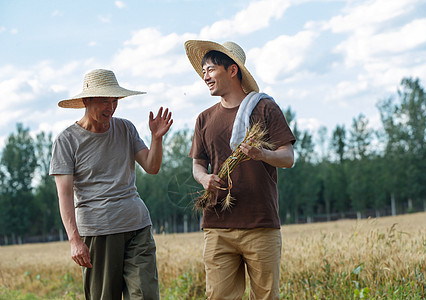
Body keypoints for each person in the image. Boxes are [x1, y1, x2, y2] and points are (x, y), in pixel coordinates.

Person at [184, 40, 296, 299]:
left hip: (260, 223)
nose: (205, 77)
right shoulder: (204, 118)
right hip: (217, 225)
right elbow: (197, 165)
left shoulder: (265, 108)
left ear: (232, 70)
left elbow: (288, 157)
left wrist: (262, 154)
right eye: (203, 72)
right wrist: (204, 179)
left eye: (210, 70)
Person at [50, 69, 173, 300]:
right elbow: (64, 195)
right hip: (98, 233)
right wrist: (75, 241)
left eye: (114, 100)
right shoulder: (66, 140)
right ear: (86, 101)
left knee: (146, 295)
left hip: (137, 226)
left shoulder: (125, 128)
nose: (111, 106)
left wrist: (157, 139)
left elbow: (151, 166)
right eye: (104, 100)